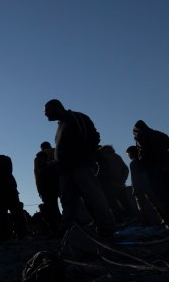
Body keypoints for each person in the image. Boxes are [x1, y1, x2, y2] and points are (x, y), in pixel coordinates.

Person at [43, 99, 116, 237]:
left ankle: (106, 226)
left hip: (80, 165)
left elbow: (93, 137)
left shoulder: (75, 117)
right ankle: (67, 229)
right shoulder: (61, 124)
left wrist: (86, 156)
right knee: (68, 200)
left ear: (56, 107)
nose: (45, 114)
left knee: (93, 195)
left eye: (47, 110)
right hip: (65, 170)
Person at [133, 120, 169, 227]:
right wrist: (168, 159)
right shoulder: (160, 134)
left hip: (153, 170)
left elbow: (143, 156)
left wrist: (142, 165)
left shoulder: (141, 136)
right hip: (166, 168)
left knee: (159, 197)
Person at [0, 148, 29, 240]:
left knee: (0, 215)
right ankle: (21, 234)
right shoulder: (6, 159)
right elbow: (9, 172)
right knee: (16, 213)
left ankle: (5, 236)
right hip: (9, 188)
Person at [96, 144, 135, 224]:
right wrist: (122, 180)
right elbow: (125, 169)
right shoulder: (116, 156)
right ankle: (131, 218)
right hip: (119, 184)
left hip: (108, 185)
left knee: (112, 204)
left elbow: (103, 171)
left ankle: (120, 220)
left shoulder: (101, 157)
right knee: (125, 202)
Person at [125, 145, 162, 227]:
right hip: (150, 185)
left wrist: (134, 188)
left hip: (140, 187)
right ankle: (164, 220)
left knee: (142, 207)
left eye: (128, 154)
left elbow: (134, 177)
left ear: (132, 153)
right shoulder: (145, 161)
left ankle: (146, 223)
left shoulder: (133, 163)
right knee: (156, 204)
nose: (128, 156)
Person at [33, 143, 62, 234]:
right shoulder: (56, 151)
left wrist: (39, 190)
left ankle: (56, 228)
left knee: (51, 208)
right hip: (61, 183)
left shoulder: (39, 160)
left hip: (47, 189)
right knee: (66, 204)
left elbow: (37, 175)